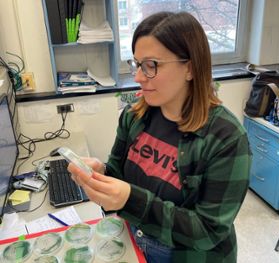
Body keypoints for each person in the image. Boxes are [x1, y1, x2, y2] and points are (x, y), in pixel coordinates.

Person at [68, 11, 251, 263]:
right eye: (136, 64)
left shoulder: (226, 139)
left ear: (190, 68)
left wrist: (131, 200)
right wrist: (101, 173)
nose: (138, 77)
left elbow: (208, 231)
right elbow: (120, 176)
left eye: (151, 65)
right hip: (134, 240)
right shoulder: (133, 117)